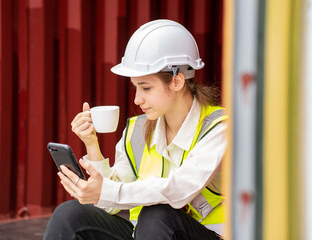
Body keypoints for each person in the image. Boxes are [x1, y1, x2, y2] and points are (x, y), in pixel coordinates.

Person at [44, 19, 227, 240]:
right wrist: (91, 144)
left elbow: (178, 191)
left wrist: (106, 192)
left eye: (146, 88)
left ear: (177, 82)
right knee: (69, 215)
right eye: (135, 87)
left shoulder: (219, 127)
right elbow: (112, 204)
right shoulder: (138, 130)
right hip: (147, 234)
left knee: (156, 214)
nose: (137, 99)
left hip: (209, 234)